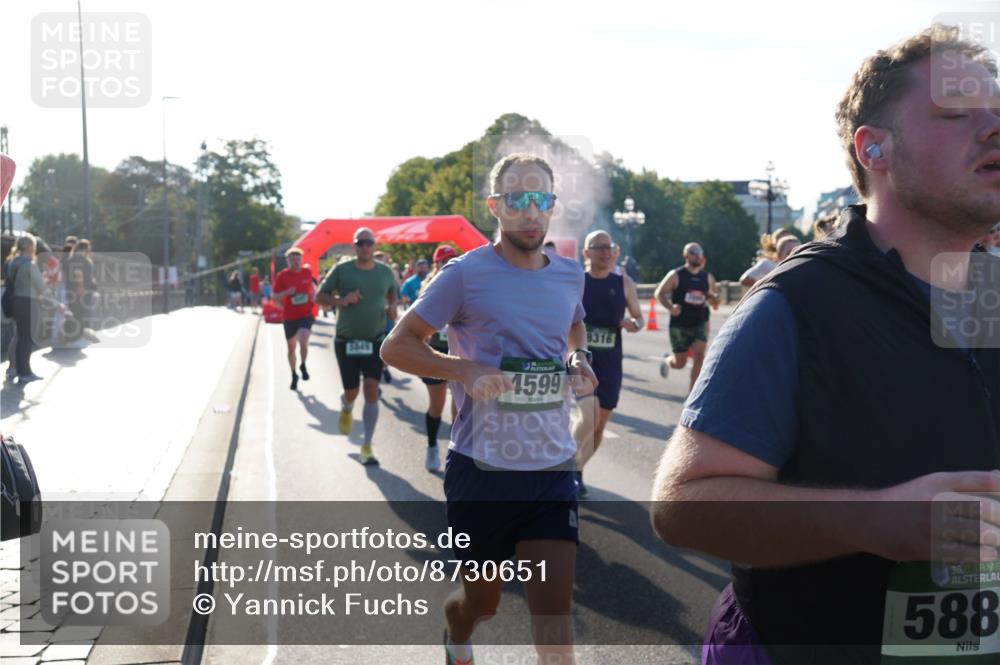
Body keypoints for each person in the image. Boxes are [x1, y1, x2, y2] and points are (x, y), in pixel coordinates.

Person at [651, 25, 1000, 665]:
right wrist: (877, 522)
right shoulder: (799, 303)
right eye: (957, 113)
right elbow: (682, 507)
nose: (994, 128)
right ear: (875, 148)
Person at [381, 153, 598, 665]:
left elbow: (573, 325)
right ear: (495, 207)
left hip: (551, 469)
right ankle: (457, 632)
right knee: (483, 603)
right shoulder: (464, 275)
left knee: (555, 622)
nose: (530, 211)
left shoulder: (569, 274)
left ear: (552, 206)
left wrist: (577, 356)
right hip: (482, 472)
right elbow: (396, 345)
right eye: (517, 200)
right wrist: (464, 369)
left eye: (540, 199)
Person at [316, 228, 397, 466]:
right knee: (352, 390)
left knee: (372, 390)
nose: (364, 247)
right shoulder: (342, 270)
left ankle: (367, 446)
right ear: (354, 246)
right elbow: (319, 297)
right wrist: (341, 301)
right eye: (360, 243)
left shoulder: (385, 272)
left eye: (368, 243)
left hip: (374, 340)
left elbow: (393, 294)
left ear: (374, 245)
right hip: (347, 341)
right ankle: (347, 404)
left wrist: (392, 307)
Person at [571, 230, 643, 499]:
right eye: (598, 247)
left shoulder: (623, 282)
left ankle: (578, 469)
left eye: (608, 247)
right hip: (581, 358)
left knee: (599, 425)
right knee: (588, 414)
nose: (605, 252)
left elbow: (638, 317)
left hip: (611, 361)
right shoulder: (577, 281)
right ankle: (567, 465)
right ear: (586, 252)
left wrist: (633, 324)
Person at [412, 244, 458, 472]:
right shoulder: (427, 289)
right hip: (435, 354)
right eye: (443, 261)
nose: (447, 264)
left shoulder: (465, 286)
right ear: (435, 265)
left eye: (452, 260)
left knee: (460, 408)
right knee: (437, 407)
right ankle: (432, 446)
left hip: (460, 354)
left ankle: (456, 453)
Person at [653, 242, 719, 392]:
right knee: (680, 363)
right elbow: (660, 293)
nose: (697, 254)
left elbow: (710, 296)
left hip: (698, 322)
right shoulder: (676, 275)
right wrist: (670, 307)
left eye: (699, 252)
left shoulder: (707, 277)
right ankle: (667, 361)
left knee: (700, 357)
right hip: (679, 325)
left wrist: (713, 300)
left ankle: (692, 396)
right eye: (693, 252)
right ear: (685, 255)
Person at [4, 235, 54, 382]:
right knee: (27, 338)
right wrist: (54, 301)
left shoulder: (12, 262)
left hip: (15, 302)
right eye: (34, 246)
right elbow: (41, 288)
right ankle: (25, 372)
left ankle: (16, 369)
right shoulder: (29, 264)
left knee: (19, 337)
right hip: (28, 303)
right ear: (29, 247)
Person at [272, 248, 315, 390]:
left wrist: (315, 298)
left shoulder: (307, 272)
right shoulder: (282, 276)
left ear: (301, 260)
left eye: (297, 259)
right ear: (287, 261)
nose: (295, 261)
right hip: (290, 317)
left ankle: (303, 364)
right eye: (292, 259)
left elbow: (313, 289)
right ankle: (294, 374)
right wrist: (286, 292)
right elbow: (274, 297)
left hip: (305, 314)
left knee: (303, 340)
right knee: (291, 349)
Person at [63, 239, 97, 345]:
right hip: (79, 291)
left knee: (73, 313)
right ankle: (77, 337)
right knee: (79, 314)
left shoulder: (70, 259)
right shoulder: (80, 259)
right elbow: (78, 272)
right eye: (88, 248)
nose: (90, 250)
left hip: (70, 290)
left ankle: (71, 337)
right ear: (85, 248)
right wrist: (80, 287)